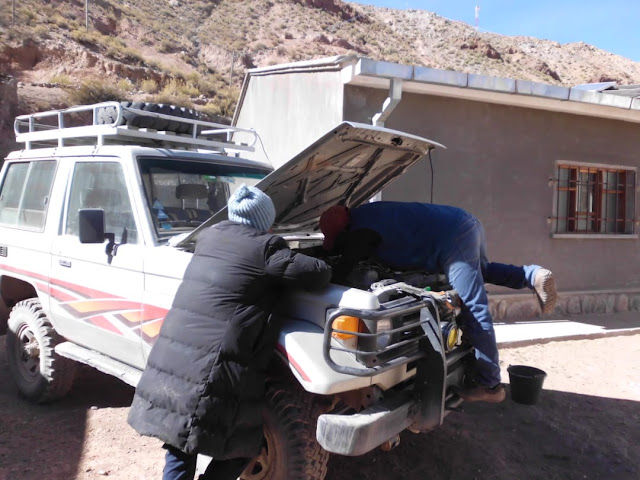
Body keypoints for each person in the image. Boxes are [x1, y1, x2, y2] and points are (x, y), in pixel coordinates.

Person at [128, 185, 332, 480]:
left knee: (180, 444)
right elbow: (318, 273)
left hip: (174, 363)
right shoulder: (268, 249)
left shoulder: (209, 237)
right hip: (212, 370)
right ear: (266, 220)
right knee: (241, 448)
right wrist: (327, 256)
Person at [319, 202, 557, 404]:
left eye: (337, 237)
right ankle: (531, 275)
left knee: (473, 306)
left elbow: (347, 264)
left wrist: (326, 275)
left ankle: (490, 385)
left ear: (343, 229)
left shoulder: (361, 230)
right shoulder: (367, 213)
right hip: (464, 224)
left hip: (452, 235)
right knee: (480, 271)